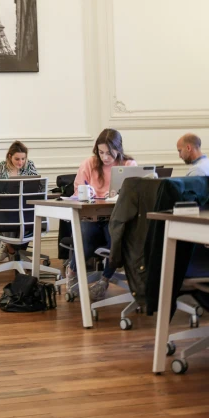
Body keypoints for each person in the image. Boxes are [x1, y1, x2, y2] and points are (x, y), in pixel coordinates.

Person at [67, 129, 136, 301]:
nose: (105, 157)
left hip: (116, 218)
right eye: (101, 152)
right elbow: (77, 191)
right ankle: (72, 271)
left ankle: (104, 279)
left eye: (109, 152)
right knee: (86, 238)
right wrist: (87, 193)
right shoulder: (89, 163)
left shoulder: (128, 165)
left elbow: (136, 195)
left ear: (118, 148)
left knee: (116, 240)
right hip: (91, 216)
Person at [0, 141, 39, 259]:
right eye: (17, 159)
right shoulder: (1, 167)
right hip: (5, 206)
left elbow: (36, 186)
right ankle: (11, 249)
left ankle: (11, 249)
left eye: (23, 159)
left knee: (26, 215)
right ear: (10, 157)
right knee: (8, 212)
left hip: (24, 206)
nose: (21, 162)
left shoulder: (30, 165)